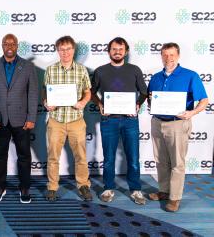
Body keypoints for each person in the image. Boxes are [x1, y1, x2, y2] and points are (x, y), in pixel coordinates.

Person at [147, 42, 208, 212]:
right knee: (161, 160)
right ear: (161, 56)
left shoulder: (190, 76)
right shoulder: (156, 77)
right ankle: (164, 191)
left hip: (178, 123)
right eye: (165, 55)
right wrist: (151, 99)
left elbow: (204, 101)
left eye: (172, 54)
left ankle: (175, 198)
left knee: (177, 162)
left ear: (178, 56)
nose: (169, 58)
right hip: (158, 122)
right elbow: (151, 99)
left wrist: (192, 113)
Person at [91, 37, 148, 205]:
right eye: (114, 49)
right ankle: (108, 188)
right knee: (108, 158)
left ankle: (136, 190)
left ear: (126, 51)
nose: (117, 52)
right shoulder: (100, 71)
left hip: (130, 120)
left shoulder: (135, 70)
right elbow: (91, 92)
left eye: (120, 49)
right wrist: (99, 104)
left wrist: (138, 104)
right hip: (109, 120)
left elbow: (144, 92)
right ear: (109, 51)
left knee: (133, 157)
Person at [0, 33, 38, 203]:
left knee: (24, 155)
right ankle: (0, 186)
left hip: (22, 119)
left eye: (13, 43)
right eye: (6, 43)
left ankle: (24, 187)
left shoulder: (28, 66)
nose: (9, 46)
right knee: (0, 155)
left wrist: (31, 117)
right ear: (2, 45)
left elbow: (33, 93)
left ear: (17, 46)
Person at [43, 36, 93, 202]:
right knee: (53, 156)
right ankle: (52, 186)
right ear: (58, 51)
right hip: (55, 120)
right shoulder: (50, 70)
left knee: (80, 156)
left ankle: (83, 185)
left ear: (73, 50)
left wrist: (84, 102)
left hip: (76, 120)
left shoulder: (81, 70)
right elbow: (45, 91)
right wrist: (45, 102)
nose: (65, 52)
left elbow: (87, 91)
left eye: (68, 49)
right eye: (62, 49)